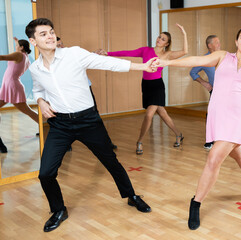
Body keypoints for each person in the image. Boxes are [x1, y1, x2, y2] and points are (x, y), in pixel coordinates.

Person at [153, 19, 241, 230]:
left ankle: (196, 203)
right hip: (218, 113)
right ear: (236, 41)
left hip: (238, 115)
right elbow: (195, 59)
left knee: (213, 158)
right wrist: (168, 62)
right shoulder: (222, 57)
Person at [25, 18, 154, 232]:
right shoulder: (36, 68)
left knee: (110, 161)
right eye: (43, 34)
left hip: (88, 120)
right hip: (60, 124)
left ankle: (131, 196)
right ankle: (58, 210)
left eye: (51, 32)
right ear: (33, 41)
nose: (49, 36)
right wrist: (40, 101)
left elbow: (108, 63)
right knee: (45, 173)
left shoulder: (73, 53)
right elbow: (38, 90)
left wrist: (142, 66)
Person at [96, 24, 187, 155]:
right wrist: (108, 54)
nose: (159, 39)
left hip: (157, 86)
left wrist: (183, 33)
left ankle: (139, 141)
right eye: (159, 37)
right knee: (162, 113)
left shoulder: (167, 55)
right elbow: (127, 53)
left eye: (163, 39)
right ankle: (179, 134)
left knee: (149, 114)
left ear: (167, 43)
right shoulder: (145, 50)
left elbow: (185, 52)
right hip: (146, 85)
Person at [56, 36, 117, 151]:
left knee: (95, 117)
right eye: (59, 45)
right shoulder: (54, 62)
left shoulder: (71, 54)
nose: (62, 47)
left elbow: (85, 58)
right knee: (64, 119)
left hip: (85, 90)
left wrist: (95, 53)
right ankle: (65, 143)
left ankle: (107, 143)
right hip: (68, 94)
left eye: (62, 44)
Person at [0, 37, 39, 153]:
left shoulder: (18, 55)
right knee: (28, 111)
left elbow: (2, 57)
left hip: (12, 86)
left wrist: (18, 45)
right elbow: (19, 50)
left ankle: (47, 126)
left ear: (21, 48)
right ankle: (44, 126)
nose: (16, 47)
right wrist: (17, 41)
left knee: (28, 111)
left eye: (17, 46)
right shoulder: (26, 58)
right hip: (13, 85)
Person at [189, 35, 220, 150]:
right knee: (211, 115)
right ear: (209, 45)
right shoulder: (205, 59)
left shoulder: (225, 57)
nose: (219, 44)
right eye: (216, 42)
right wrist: (204, 83)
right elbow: (193, 73)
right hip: (215, 91)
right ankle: (209, 140)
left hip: (229, 92)